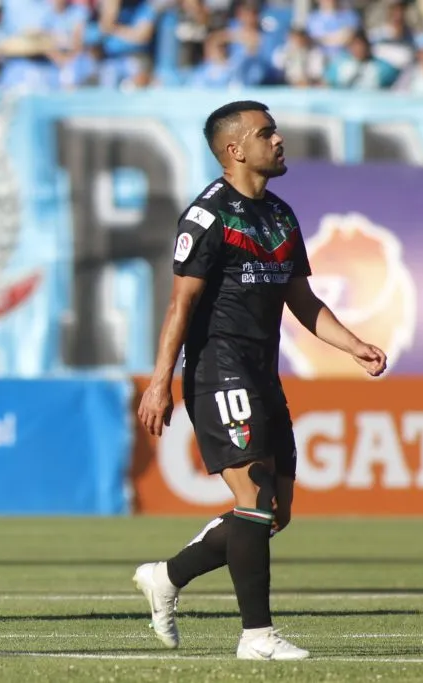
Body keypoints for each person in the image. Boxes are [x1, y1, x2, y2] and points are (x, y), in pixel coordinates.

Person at [134, 100, 387, 660]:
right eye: (266, 132)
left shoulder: (279, 215)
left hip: (262, 373)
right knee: (253, 495)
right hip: (218, 370)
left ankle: (166, 576)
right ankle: (256, 636)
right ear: (235, 150)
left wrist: (353, 345)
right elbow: (180, 305)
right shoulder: (207, 217)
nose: (278, 139)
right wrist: (159, 382)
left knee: (274, 514)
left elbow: (302, 299)